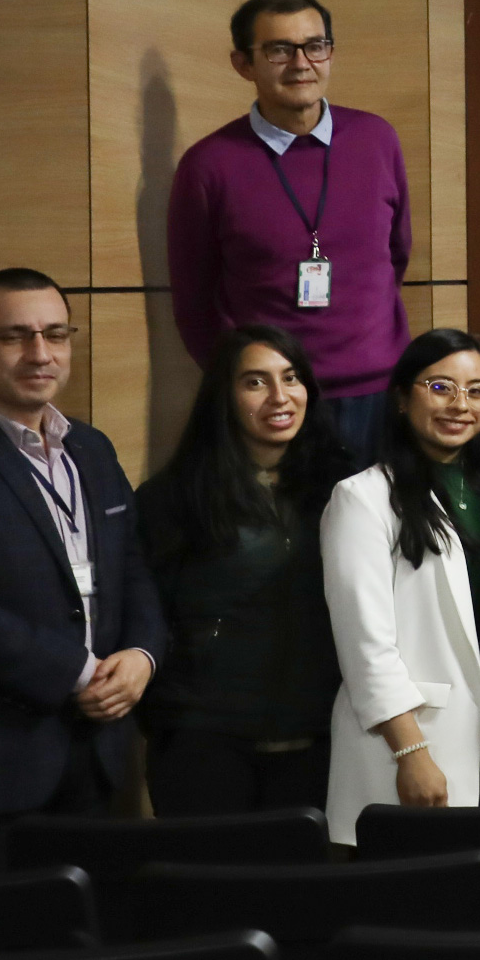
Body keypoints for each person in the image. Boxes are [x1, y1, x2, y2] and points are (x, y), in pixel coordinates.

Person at [0, 270, 164, 819]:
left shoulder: (91, 448)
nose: (40, 352)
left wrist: (142, 656)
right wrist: (79, 672)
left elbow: (133, 569)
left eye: (56, 334)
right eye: (13, 336)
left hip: (100, 754)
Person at [167, 0, 415, 461]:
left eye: (315, 46)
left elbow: (396, 254)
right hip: (276, 406)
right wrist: (248, 384)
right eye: (280, 50)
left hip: (379, 394)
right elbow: (195, 301)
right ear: (244, 64)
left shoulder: (376, 139)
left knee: (376, 534)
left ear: (330, 54)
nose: (301, 63)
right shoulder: (208, 165)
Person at [321, 328, 480, 844]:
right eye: (440, 387)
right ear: (401, 397)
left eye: (477, 390)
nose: (460, 404)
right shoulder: (362, 498)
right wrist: (410, 752)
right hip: (416, 730)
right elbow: (365, 646)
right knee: (428, 886)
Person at [137, 326, 349, 816]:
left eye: (291, 378)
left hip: (319, 742)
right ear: (224, 396)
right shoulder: (173, 498)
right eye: (255, 382)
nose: (280, 397)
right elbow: (146, 616)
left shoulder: (346, 489)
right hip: (205, 744)